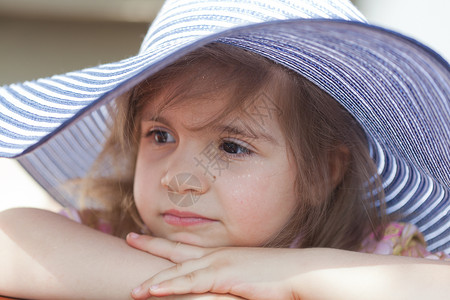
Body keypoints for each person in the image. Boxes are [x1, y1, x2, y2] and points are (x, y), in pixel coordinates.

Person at [0, 0, 448, 299]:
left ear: (323, 173)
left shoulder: (370, 253)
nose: (178, 177)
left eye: (232, 147)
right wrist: (190, 285)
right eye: (161, 135)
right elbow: (9, 239)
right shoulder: (120, 235)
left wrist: (292, 279)